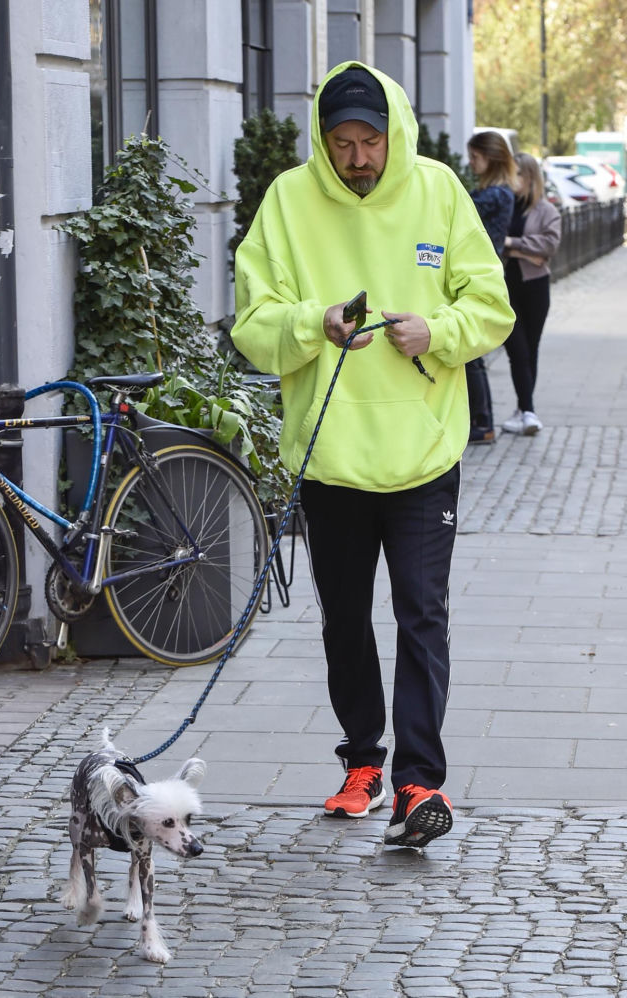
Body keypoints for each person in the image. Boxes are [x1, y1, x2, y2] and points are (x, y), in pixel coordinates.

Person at [231, 63, 514, 849]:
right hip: (330, 456)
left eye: (370, 141)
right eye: (342, 143)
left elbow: (490, 306)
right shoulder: (288, 201)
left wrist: (438, 332)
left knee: (423, 615)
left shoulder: (439, 191)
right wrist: (308, 323)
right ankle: (362, 759)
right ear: (323, 143)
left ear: (394, 134)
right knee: (346, 620)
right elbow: (250, 324)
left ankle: (419, 781)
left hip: (422, 453)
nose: (358, 157)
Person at [501, 153, 561, 435]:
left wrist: (513, 243)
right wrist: (525, 250)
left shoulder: (546, 210)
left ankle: (524, 410)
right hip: (506, 288)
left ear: (529, 177)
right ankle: (528, 411)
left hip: (535, 287)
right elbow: (492, 241)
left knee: (531, 350)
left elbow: (548, 246)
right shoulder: (505, 205)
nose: (512, 180)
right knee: (518, 351)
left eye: (517, 175)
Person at [465, 130, 517, 444]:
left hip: (480, 273)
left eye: (475, 157)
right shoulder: (495, 192)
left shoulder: (494, 195)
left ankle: (483, 422)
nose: (470, 163)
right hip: (485, 270)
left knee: (473, 356)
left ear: (491, 158)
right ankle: (481, 421)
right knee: (473, 355)